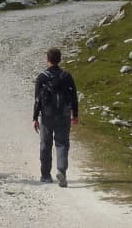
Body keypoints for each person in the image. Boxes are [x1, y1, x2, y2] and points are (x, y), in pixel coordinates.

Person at [33, 47, 79, 187]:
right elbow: (74, 97)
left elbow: (37, 100)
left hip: (47, 116)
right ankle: (61, 171)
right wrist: (75, 115)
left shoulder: (42, 77)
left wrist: (35, 118)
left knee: (45, 145)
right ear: (59, 59)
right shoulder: (67, 76)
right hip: (63, 115)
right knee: (62, 143)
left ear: (48, 59)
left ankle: (46, 175)